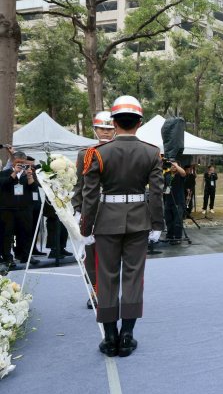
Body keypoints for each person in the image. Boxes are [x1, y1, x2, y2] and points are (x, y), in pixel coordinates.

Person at [80, 95, 164, 357]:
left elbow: (89, 195)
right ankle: (127, 336)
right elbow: (156, 193)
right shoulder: (152, 152)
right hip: (139, 221)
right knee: (133, 276)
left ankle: (110, 338)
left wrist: (86, 228)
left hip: (106, 221)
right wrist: (157, 224)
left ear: (114, 123)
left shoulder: (98, 153)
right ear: (139, 123)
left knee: (106, 277)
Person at [72, 111, 115, 307]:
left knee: (112, 253)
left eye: (109, 129)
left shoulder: (120, 151)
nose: (105, 132)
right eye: (101, 128)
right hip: (92, 211)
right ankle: (96, 288)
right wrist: (77, 208)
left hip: (114, 210)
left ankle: (110, 289)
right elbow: (79, 184)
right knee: (90, 253)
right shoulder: (85, 154)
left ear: (115, 130)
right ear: (95, 130)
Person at [0, 152, 39, 268]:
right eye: (19, 162)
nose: (22, 165)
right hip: (8, 209)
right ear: (13, 161)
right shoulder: (4, 173)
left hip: (24, 209)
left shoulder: (27, 173)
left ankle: (25, 255)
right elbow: (4, 185)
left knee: (25, 233)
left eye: (23, 162)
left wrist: (30, 176)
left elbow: (34, 188)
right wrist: (15, 173)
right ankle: (7, 257)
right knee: (7, 234)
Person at [162, 159, 187, 244]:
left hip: (178, 201)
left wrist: (176, 165)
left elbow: (184, 173)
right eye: (172, 165)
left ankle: (177, 237)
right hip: (168, 200)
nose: (173, 166)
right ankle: (170, 236)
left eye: (175, 165)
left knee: (177, 220)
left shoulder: (180, 174)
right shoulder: (167, 174)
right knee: (168, 219)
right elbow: (164, 185)